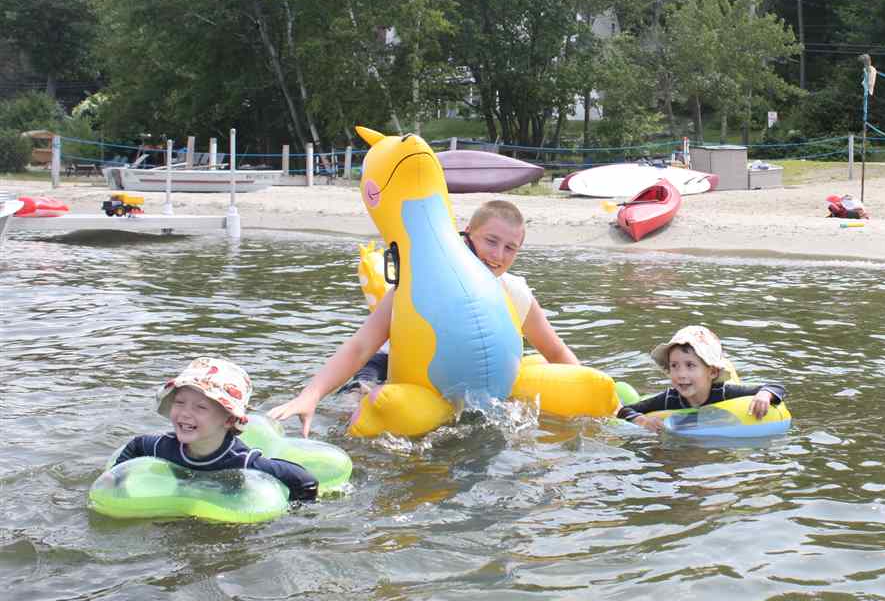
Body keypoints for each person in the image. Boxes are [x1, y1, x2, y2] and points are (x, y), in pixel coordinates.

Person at [268, 199, 578, 436]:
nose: (498, 255)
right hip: (389, 370)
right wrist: (309, 396)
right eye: (491, 241)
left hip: (476, 387)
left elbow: (556, 352)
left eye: (510, 248)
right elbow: (361, 346)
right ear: (467, 235)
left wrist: (603, 398)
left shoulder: (515, 293)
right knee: (353, 424)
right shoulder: (422, 285)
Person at [114, 357, 318, 501]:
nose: (185, 413)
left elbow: (305, 480)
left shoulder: (242, 461)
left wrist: (295, 512)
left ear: (229, 420)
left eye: (200, 407)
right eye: (179, 402)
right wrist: (118, 481)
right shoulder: (164, 447)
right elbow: (137, 445)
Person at [617, 325, 786, 433]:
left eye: (690, 365)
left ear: (712, 372)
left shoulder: (724, 392)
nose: (681, 374)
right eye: (674, 366)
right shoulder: (670, 398)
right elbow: (623, 410)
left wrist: (764, 395)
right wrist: (642, 421)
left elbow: (775, 386)